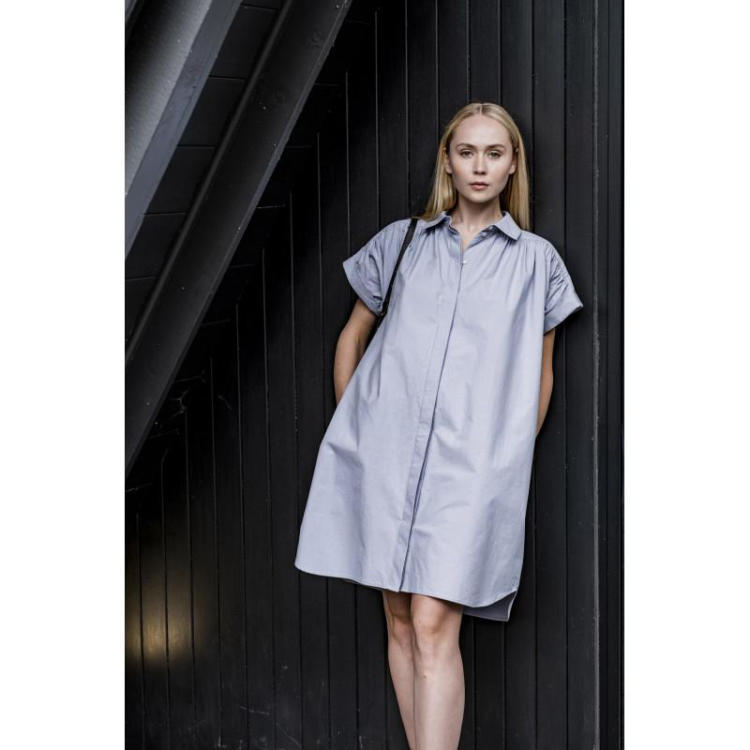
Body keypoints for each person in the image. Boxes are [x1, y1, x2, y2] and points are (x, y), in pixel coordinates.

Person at [294, 101, 584, 748]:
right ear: (447, 162)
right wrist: (356, 430)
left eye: (494, 153)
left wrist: (505, 457)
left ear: (512, 166)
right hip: (384, 459)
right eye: (467, 152)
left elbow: (540, 374)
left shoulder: (538, 263)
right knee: (399, 620)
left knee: (431, 621)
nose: (480, 166)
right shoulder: (400, 242)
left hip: (469, 470)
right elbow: (353, 336)